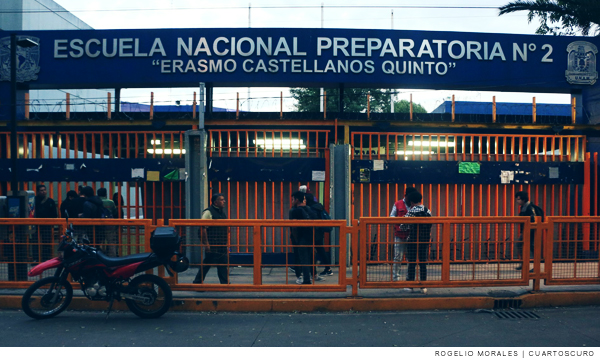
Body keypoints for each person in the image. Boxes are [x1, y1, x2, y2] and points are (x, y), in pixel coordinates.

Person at [401, 191, 432, 294]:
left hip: (413, 240)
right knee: (423, 262)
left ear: (411, 202)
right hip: (425, 240)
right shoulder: (428, 211)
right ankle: (423, 286)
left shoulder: (411, 211)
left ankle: (410, 285)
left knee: (412, 262)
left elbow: (403, 226)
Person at [193, 193, 229, 284]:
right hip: (213, 243)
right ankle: (197, 282)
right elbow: (203, 227)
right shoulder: (208, 212)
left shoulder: (221, 212)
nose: (224, 201)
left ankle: (224, 283)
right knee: (207, 263)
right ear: (215, 202)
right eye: (221, 200)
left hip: (221, 243)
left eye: (223, 199)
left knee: (222, 263)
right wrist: (206, 244)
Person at [389, 186, 417, 281]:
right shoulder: (397, 204)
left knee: (411, 258)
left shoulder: (416, 204)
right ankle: (396, 278)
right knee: (398, 257)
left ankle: (409, 278)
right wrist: (401, 220)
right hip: (400, 235)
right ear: (406, 196)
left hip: (412, 235)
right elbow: (391, 216)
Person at [289, 191, 314, 284]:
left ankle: (306, 279)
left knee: (303, 259)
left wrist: (295, 239)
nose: (292, 201)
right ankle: (311, 276)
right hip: (310, 237)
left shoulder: (295, 211)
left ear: (297, 200)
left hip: (301, 237)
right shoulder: (309, 209)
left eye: (292, 199)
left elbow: (294, 227)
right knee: (309, 257)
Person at [515, 191, 544, 272]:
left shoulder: (530, 208)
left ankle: (535, 267)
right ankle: (524, 263)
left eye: (518, 199)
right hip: (526, 231)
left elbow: (533, 219)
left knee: (532, 248)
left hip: (531, 231)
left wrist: (530, 230)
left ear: (523, 199)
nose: (517, 201)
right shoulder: (524, 207)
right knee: (521, 245)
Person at [305, 193, 331, 278]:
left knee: (312, 251)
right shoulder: (318, 206)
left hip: (313, 232)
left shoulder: (311, 209)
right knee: (321, 250)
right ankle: (328, 269)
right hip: (319, 231)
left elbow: (313, 220)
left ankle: (313, 270)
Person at [33, 184, 58, 261]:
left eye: (44, 190)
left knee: (45, 242)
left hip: (44, 224)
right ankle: (37, 259)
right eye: (41, 190)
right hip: (39, 224)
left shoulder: (35, 200)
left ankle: (44, 259)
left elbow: (55, 214)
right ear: (37, 191)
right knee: (36, 242)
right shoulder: (49, 201)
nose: (43, 192)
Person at [98, 187, 118, 256]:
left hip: (98, 223)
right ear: (106, 194)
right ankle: (112, 256)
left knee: (98, 241)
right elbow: (115, 212)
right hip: (109, 223)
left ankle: (99, 255)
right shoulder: (110, 202)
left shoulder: (96, 201)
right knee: (111, 241)